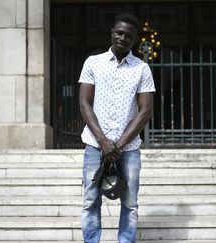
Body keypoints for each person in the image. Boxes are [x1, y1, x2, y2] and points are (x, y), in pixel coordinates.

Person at [78, 13, 155, 243]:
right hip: (95, 145)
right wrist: (103, 142)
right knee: (91, 200)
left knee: (130, 203)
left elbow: (145, 112)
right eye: (119, 33)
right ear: (112, 33)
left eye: (128, 35)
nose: (123, 38)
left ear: (134, 40)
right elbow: (84, 103)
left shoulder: (142, 69)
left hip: (128, 149)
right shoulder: (93, 62)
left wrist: (118, 146)